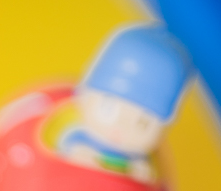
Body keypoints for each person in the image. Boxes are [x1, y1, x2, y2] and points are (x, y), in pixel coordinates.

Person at [56, 25, 194, 181]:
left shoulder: (139, 159)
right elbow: (67, 149)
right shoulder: (79, 140)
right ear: (84, 97)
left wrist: (140, 173)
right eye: (108, 109)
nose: (120, 127)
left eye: (143, 123)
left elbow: (145, 175)